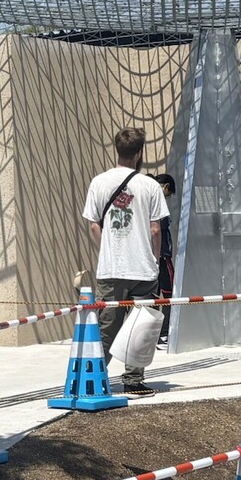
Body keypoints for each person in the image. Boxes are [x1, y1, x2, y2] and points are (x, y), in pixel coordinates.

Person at [81, 127, 168, 396]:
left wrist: (108, 249)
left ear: (117, 149)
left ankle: (93, 379)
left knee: (106, 326)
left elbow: (93, 225)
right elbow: (155, 229)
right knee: (141, 326)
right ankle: (133, 381)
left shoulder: (99, 182)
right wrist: (155, 261)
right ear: (139, 153)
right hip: (143, 269)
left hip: (111, 269)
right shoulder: (150, 186)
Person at [154, 172, 177, 345]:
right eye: (168, 195)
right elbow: (157, 231)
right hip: (161, 257)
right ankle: (163, 334)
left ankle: (153, 335)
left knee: (151, 296)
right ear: (166, 187)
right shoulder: (158, 205)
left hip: (149, 258)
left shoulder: (145, 202)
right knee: (170, 295)